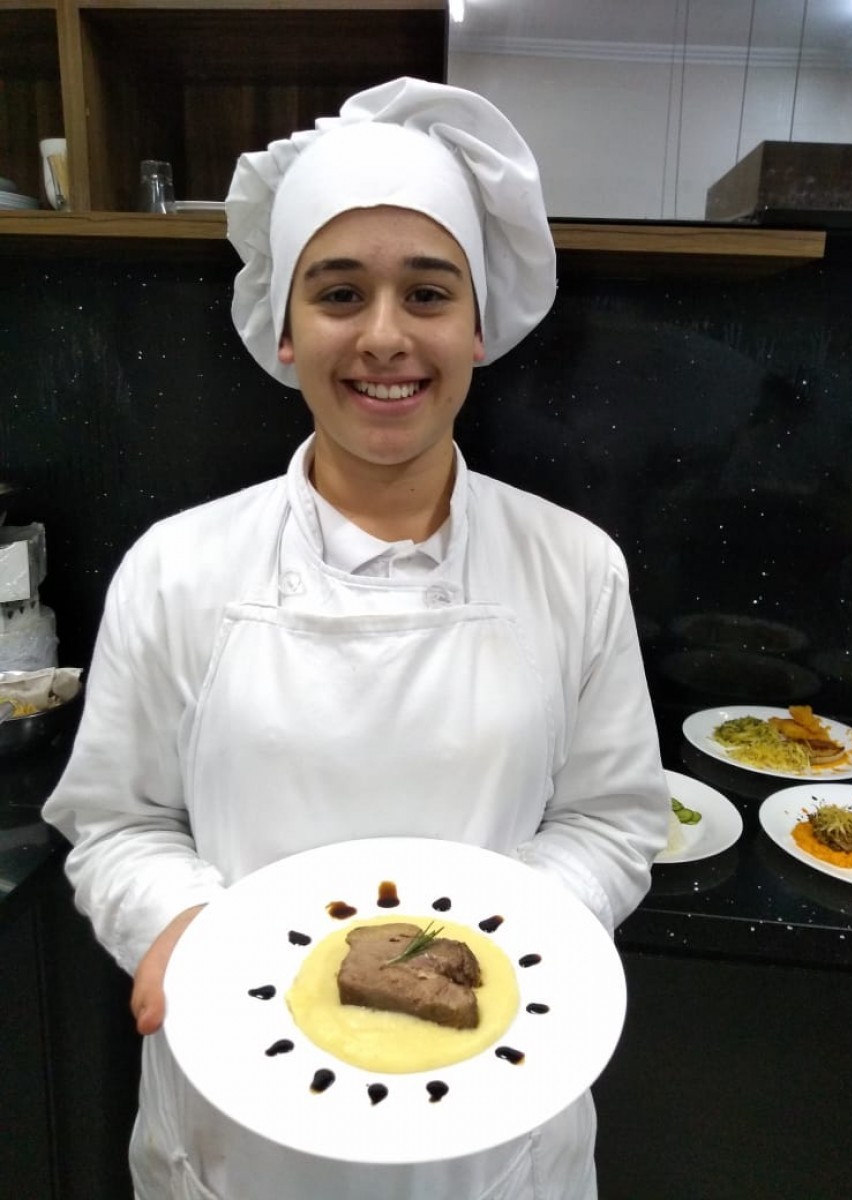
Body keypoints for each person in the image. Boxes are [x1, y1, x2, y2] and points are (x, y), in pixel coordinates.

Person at [42, 77, 669, 1200]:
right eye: (339, 293)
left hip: (501, 1125)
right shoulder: (177, 569)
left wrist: (513, 946)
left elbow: (611, 820)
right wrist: (181, 922)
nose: (385, 336)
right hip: (237, 1119)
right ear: (284, 331)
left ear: (479, 326)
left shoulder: (577, 568)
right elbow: (119, 820)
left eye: (427, 293)